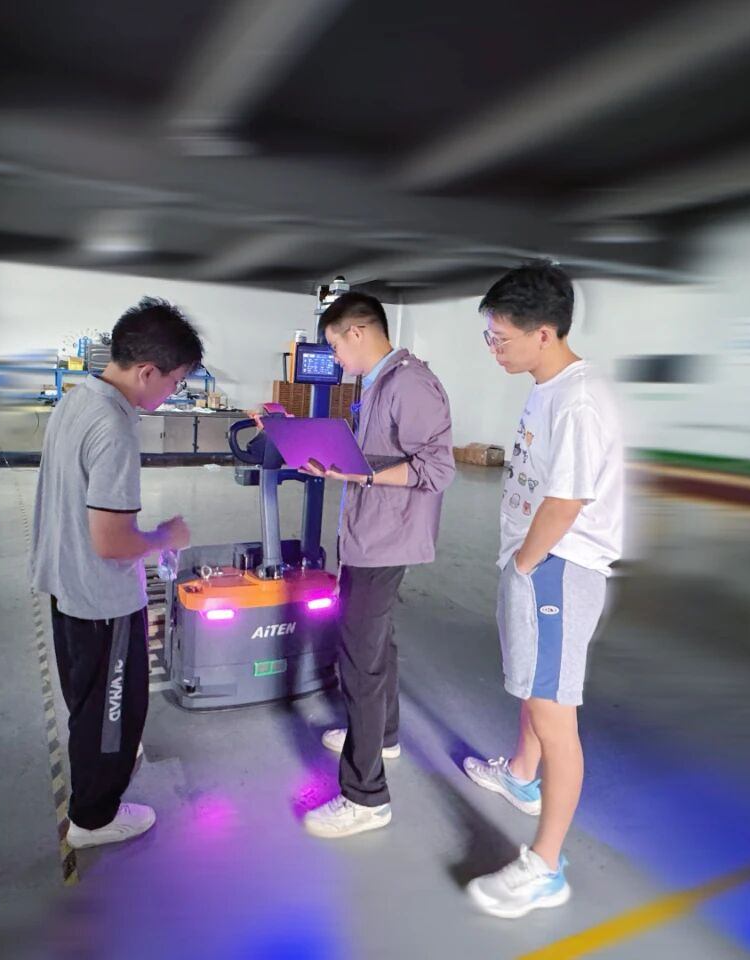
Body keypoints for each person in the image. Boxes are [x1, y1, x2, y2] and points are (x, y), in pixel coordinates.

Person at [463, 261, 624, 919]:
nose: (493, 348)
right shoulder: (547, 385)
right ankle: (521, 777)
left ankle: (546, 866)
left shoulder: (578, 403)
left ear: (544, 333)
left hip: (557, 566)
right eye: (490, 335)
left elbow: (566, 501)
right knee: (534, 686)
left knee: (555, 713)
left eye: (500, 337)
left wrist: (527, 566)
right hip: (537, 563)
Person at [31, 297, 199, 850]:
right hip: (101, 599)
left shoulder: (78, 399)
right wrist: (165, 537)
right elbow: (111, 541)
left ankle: (108, 758)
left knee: (89, 697)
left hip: (66, 585)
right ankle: (94, 817)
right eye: (174, 381)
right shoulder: (115, 427)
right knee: (114, 709)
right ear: (147, 371)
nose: (173, 391)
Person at [299, 292, 456, 839]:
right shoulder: (379, 382)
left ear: (358, 332)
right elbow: (376, 455)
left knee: (360, 661)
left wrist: (361, 475)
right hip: (369, 534)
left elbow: (437, 470)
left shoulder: (410, 384)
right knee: (375, 643)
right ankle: (383, 736)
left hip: (388, 539)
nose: (335, 358)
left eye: (335, 346)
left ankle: (365, 797)